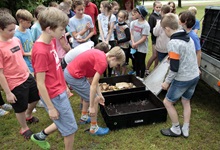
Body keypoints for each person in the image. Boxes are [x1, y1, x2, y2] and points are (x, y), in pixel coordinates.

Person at [31, 7, 77, 149]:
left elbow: (56, 69)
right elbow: (40, 83)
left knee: (65, 123)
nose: (64, 32)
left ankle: (40, 136)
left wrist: (65, 88)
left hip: (60, 91)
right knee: (70, 129)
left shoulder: (51, 40)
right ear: (49, 29)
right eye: (61, 29)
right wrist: (50, 108)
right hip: (53, 96)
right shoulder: (40, 51)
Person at [64, 46, 125, 135]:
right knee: (94, 99)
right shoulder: (103, 63)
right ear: (113, 58)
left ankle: (84, 118)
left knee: (90, 95)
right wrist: (92, 106)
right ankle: (94, 128)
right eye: (117, 64)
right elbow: (93, 86)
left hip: (72, 72)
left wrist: (100, 95)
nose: (116, 66)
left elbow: (93, 80)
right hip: (73, 76)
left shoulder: (100, 54)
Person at [0, 11, 40, 139]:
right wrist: (8, 92)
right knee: (20, 107)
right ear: (1, 29)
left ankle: (28, 115)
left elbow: (21, 57)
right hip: (14, 82)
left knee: (35, 98)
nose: (14, 32)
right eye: (10, 30)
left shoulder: (16, 40)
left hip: (26, 75)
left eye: (14, 28)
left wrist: (29, 73)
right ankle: (24, 128)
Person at [160, 13, 200, 138]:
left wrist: (167, 82)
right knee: (186, 101)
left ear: (167, 29)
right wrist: (172, 58)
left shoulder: (173, 43)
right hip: (194, 76)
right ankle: (186, 128)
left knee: (167, 102)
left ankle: (176, 129)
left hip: (182, 79)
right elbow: (188, 55)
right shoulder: (188, 36)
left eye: (164, 30)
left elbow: (174, 69)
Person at [130, 5, 150, 81]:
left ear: (140, 14)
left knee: (141, 61)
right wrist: (133, 42)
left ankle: (141, 77)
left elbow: (144, 38)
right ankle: (137, 74)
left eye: (137, 11)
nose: (134, 12)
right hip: (134, 46)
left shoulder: (145, 25)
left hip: (142, 48)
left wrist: (136, 44)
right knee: (136, 61)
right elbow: (131, 33)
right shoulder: (133, 23)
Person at [98, 0, 116, 77]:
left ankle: (109, 74)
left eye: (101, 7)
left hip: (110, 40)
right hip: (101, 39)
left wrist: (107, 40)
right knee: (103, 58)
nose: (99, 8)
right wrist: (103, 40)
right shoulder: (99, 16)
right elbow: (100, 28)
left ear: (105, 8)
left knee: (110, 57)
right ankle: (104, 74)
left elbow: (111, 29)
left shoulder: (112, 17)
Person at [14, 9, 34, 74]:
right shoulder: (16, 35)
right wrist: (30, 53)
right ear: (21, 21)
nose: (30, 24)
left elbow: (32, 43)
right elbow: (18, 53)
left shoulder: (28, 31)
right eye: (28, 22)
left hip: (33, 62)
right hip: (26, 65)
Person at [145, 1, 162, 75]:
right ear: (154, 7)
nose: (158, 9)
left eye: (160, 7)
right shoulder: (152, 16)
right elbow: (150, 29)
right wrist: (156, 32)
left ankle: (155, 70)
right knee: (154, 55)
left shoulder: (161, 15)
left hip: (161, 38)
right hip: (155, 38)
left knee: (158, 56)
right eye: (157, 7)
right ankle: (147, 69)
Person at [115, 10, 131, 75]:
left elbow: (128, 38)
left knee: (123, 61)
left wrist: (119, 41)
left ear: (125, 18)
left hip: (125, 46)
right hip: (118, 46)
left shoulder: (125, 27)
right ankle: (118, 72)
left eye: (121, 17)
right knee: (117, 59)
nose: (119, 18)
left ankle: (123, 74)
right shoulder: (116, 25)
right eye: (118, 16)